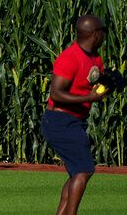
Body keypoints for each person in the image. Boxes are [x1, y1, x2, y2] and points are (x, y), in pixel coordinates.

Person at [41, 14, 109, 215]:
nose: (105, 34)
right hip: (60, 121)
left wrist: (109, 86)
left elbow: (92, 86)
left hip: (75, 121)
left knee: (76, 173)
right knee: (84, 170)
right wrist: (89, 97)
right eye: (103, 31)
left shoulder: (95, 57)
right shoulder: (70, 57)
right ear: (94, 34)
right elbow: (56, 93)